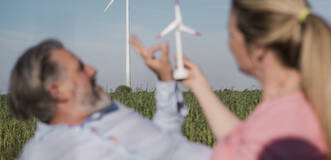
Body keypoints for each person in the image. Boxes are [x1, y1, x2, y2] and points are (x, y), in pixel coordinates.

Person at [133, 0, 331, 160]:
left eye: (231, 33)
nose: (229, 43)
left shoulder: (287, 130)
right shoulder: (288, 110)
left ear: (259, 48)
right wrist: (198, 85)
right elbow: (242, 141)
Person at [8, 39, 211, 159]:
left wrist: (165, 79)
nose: (93, 70)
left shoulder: (112, 110)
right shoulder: (42, 153)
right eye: (80, 68)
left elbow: (167, 142)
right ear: (57, 91)